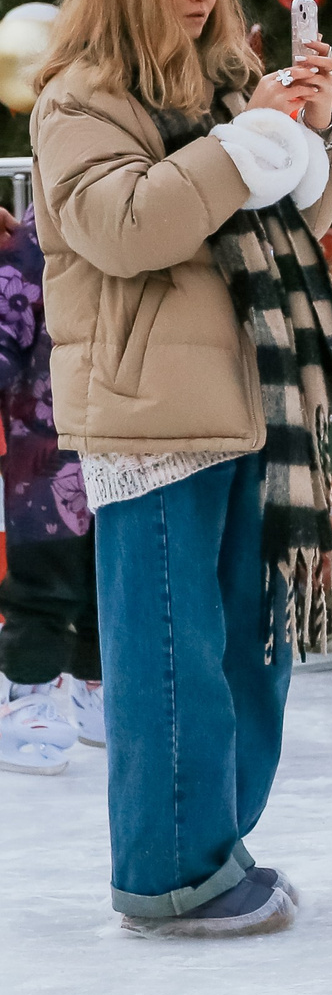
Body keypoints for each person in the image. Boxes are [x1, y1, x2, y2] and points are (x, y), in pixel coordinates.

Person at [30, 0, 332, 936]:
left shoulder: (226, 85)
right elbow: (127, 227)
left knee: (248, 646)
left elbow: (282, 224)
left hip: (251, 398)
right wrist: (247, 145)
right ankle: (169, 872)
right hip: (151, 408)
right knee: (170, 655)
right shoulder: (78, 101)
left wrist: (307, 135)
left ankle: (216, 842)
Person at [0, 204, 107, 775]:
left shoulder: (139, 222)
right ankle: (27, 689)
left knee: (109, 578)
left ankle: (96, 684)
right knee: (42, 579)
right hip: (43, 451)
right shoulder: (36, 236)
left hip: (121, 439)